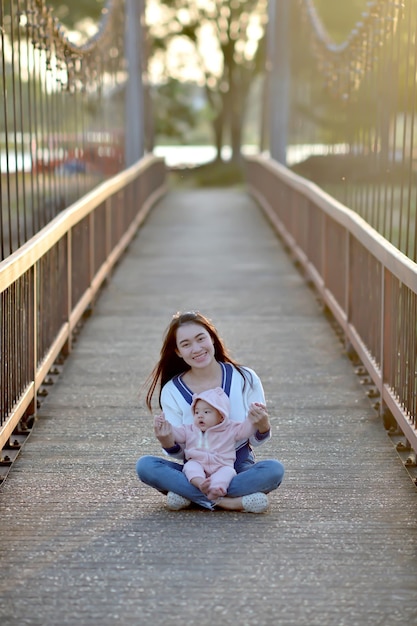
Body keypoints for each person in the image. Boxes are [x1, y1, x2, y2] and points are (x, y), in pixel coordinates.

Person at [136, 311, 285, 513]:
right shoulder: (172, 390)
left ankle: (191, 496)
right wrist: (167, 441)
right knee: (145, 466)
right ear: (178, 351)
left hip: (235, 466)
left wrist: (263, 426)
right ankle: (228, 502)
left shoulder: (245, 377)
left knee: (274, 470)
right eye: (186, 344)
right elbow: (180, 453)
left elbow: (256, 440)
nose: (197, 349)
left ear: (212, 339)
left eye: (201, 339)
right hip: (194, 470)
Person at [154, 387, 261, 501]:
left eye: (206, 412)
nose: (200, 415)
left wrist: (252, 418)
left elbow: (245, 430)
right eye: (197, 412)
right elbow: (177, 434)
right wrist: (165, 425)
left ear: (221, 416)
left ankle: (215, 489)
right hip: (198, 462)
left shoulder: (230, 428)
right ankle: (201, 484)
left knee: (228, 472)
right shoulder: (190, 429)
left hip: (222, 465)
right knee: (190, 467)